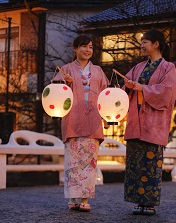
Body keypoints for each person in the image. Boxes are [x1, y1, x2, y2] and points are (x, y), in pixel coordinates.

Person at [123, 29, 176, 215]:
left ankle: (150, 202)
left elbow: (167, 92)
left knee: (151, 163)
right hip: (135, 120)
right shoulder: (138, 67)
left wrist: (143, 88)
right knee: (135, 164)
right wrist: (128, 88)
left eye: (145, 42)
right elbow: (125, 86)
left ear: (156, 44)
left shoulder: (168, 67)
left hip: (154, 122)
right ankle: (138, 201)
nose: (142, 45)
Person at [55, 35, 109, 212]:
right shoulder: (66, 69)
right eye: (84, 46)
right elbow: (55, 92)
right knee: (72, 161)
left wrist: (108, 116)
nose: (88, 50)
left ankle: (85, 199)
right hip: (72, 118)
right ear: (75, 49)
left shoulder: (99, 71)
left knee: (89, 162)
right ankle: (72, 198)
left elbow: (106, 95)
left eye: (91, 47)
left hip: (93, 118)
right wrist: (65, 83)